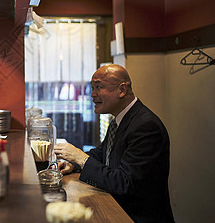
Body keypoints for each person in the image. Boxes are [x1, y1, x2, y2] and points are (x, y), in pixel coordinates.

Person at [54, 64, 174, 222]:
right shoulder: (118, 120)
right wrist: (74, 164)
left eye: (98, 87)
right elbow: (103, 153)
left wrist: (81, 158)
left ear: (122, 90)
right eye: (92, 88)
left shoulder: (146, 126)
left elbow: (125, 183)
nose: (93, 94)